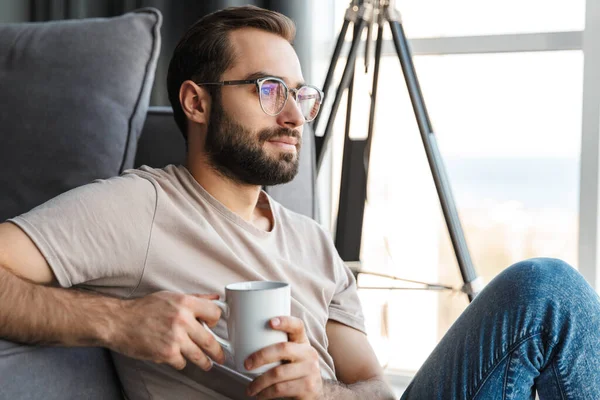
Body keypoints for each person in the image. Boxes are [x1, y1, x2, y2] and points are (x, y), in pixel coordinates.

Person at [0, 5, 598, 400]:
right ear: (196, 103)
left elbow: (371, 388)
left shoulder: (310, 239)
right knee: (547, 287)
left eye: (299, 95)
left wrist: (323, 393)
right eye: (267, 90)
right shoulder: (142, 207)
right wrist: (121, 322)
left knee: (546, 291)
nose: (293, 117)